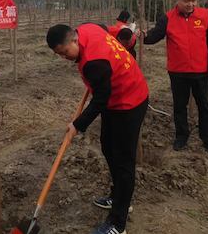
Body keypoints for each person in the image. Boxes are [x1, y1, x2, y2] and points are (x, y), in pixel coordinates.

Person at [47, 23, 149, 234]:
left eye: (65, 52)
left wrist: (77, 125)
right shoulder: (88, 28)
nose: (64, 58)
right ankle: (118, 195)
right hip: (115, 98)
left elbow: (101, 99)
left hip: (129, 101)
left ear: (74, 40)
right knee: (108, 147)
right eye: (59, 54)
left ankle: (118, 223)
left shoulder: (94, 62)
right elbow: (105, 29)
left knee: (123, 162)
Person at [137, 0, 208, 154]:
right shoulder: (167, 18)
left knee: (204, 106)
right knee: (179, 106)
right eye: (187, 1)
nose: (191, 4)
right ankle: (181, 137)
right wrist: (144, 36)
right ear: (178, 0)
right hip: (178, 71)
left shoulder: (204, 16)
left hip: (200, 71)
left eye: (194, 0)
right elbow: (155, 36)